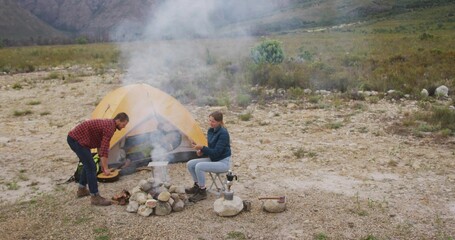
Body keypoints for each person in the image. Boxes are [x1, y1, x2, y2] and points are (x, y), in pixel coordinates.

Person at [67, 112, 129, 206]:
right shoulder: (110, 128)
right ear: (118, 121)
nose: (124, 127)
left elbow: (100, 146)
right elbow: (104, 149)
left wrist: (102, 162)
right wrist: (105, 168)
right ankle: (95, 197)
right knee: (91, 167)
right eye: (123, 124)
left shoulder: (109, 125)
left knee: (88, 164)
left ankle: (82, 189)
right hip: (76, 140)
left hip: (79, 139)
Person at [186, 111, 231, 202]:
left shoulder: (223, 133)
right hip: (214, 159)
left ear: (220, 122)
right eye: (209, 120)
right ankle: (197, 186)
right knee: (190, 164)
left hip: (223, 162)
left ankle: (202, 192)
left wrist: (202, 148)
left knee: (199, 166)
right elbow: (211, 148)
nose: (210, 123)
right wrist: (202, 152)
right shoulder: (211, 130)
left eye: (213, 121)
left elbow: (216, 153)